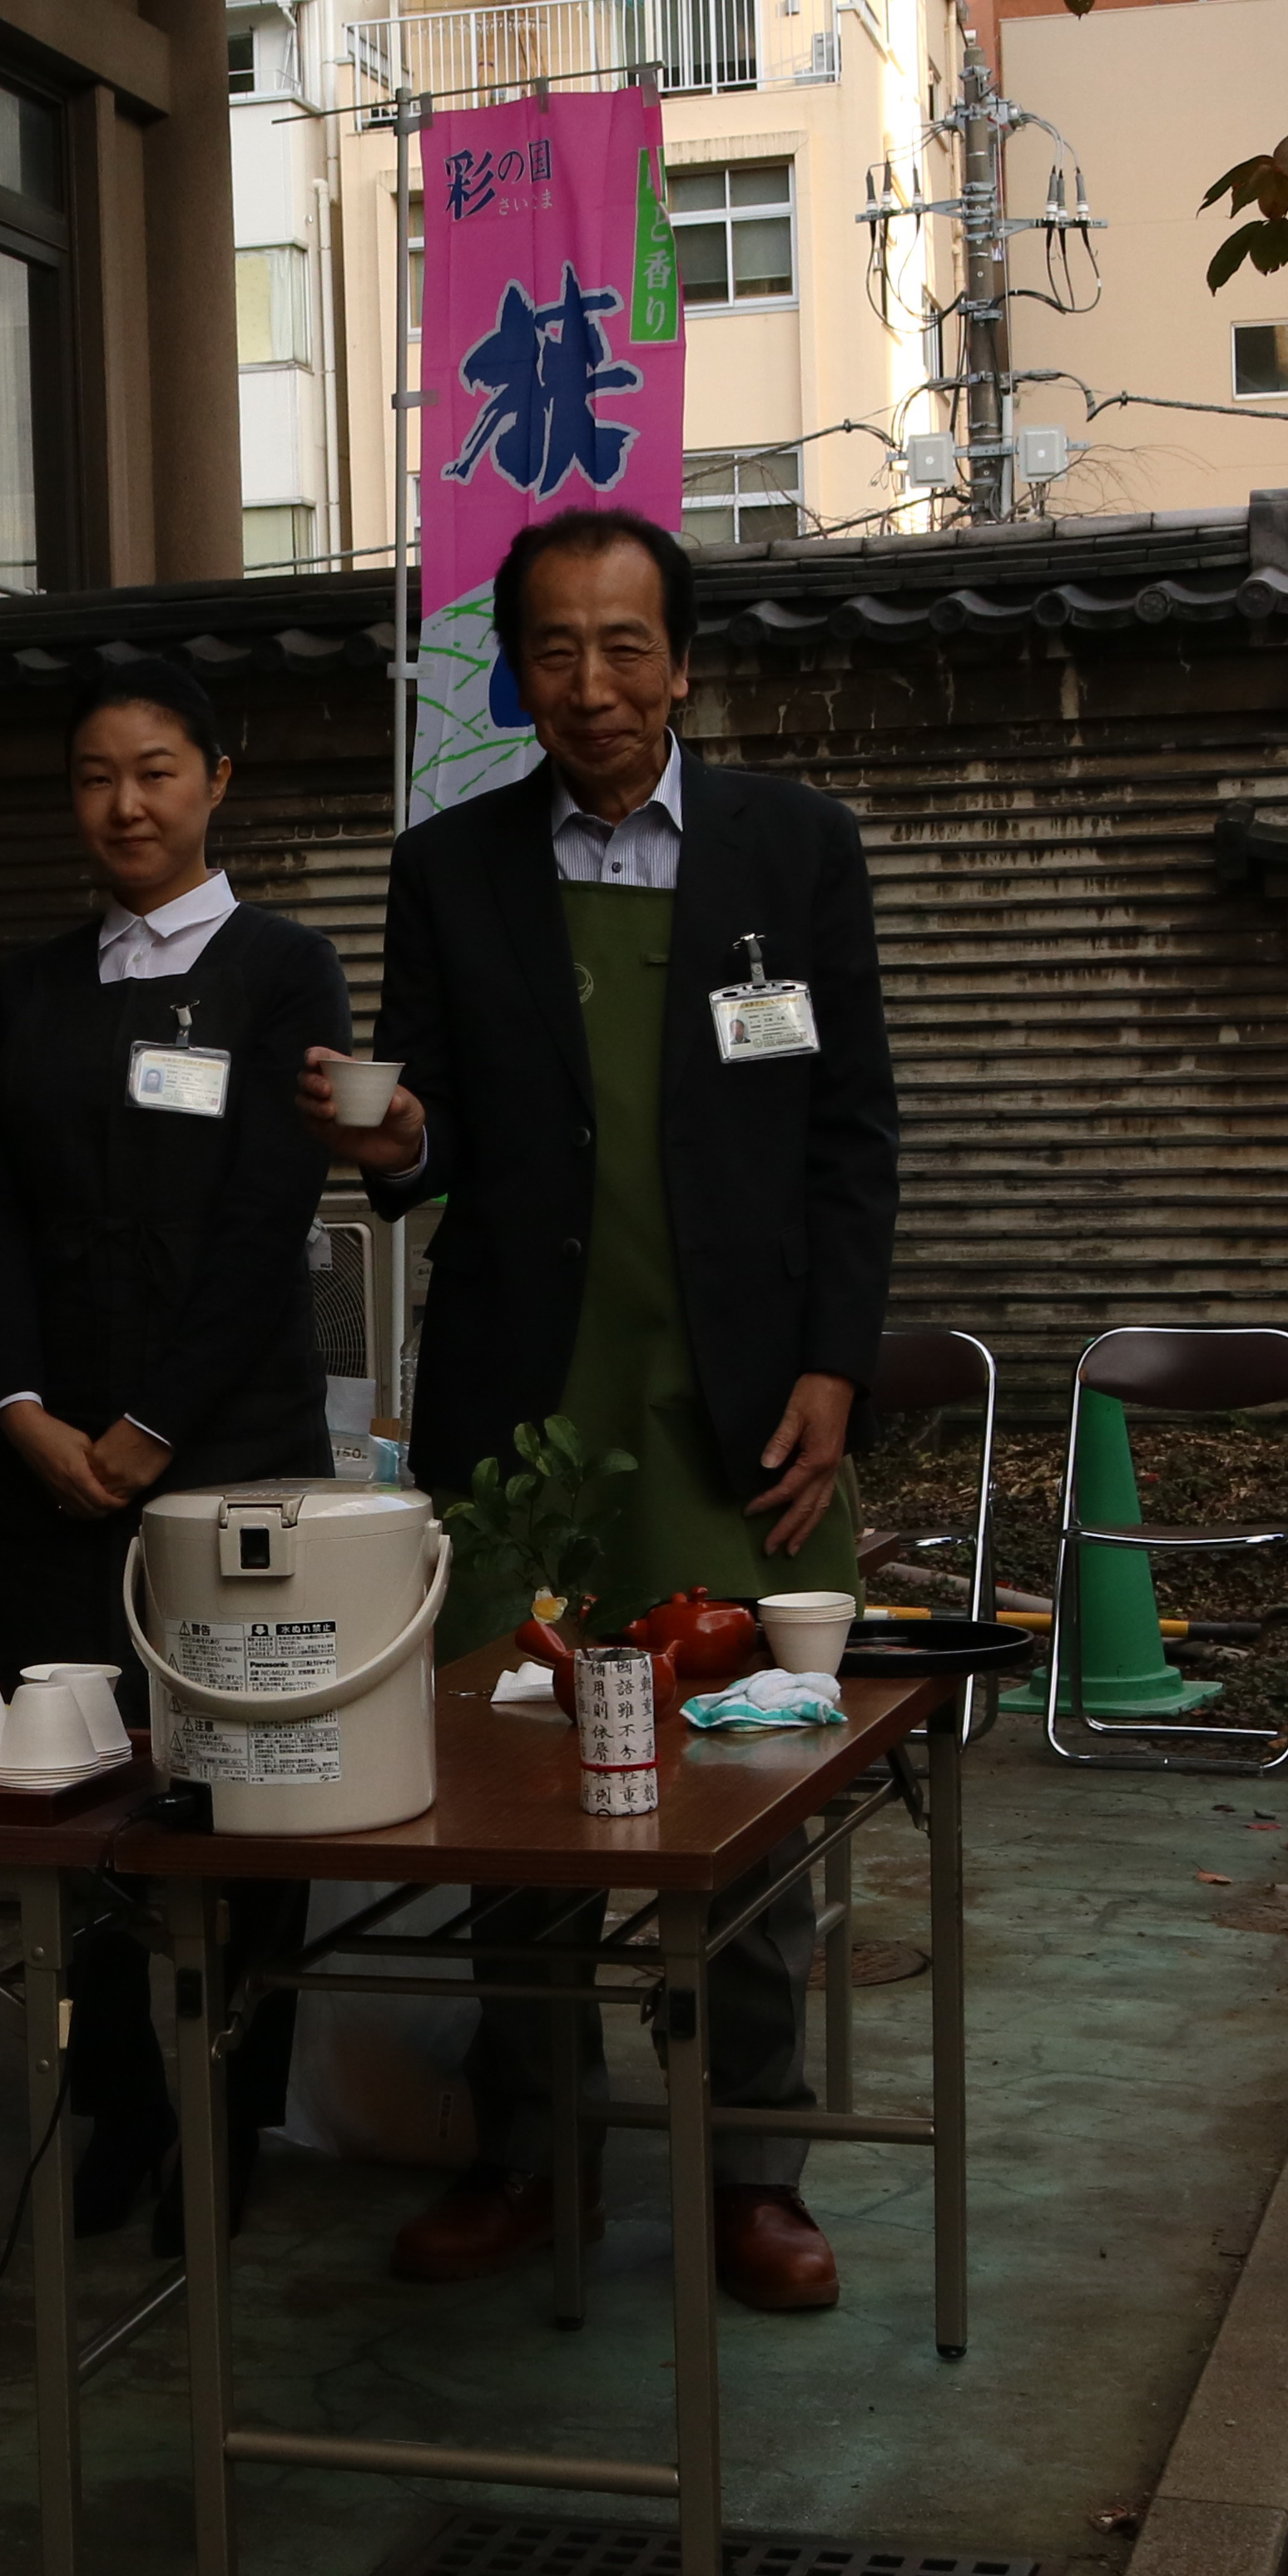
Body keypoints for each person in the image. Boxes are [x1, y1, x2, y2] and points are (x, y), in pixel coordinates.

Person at [300, 504, 896, 2313]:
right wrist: (398, 1142)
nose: (592, 682)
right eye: (553, 648)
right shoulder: (451, 865)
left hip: (739, 1402)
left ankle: (754, 2170)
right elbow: (431, 1137)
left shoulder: (797, 848)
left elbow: (852, 1130)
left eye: (626, 644)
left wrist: (834, 1364)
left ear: (684, 663)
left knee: (756, 1782)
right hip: (525, 1403)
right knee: (515, 1796)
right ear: (515, 674)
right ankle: (530, 2152)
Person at [0, 656, 349, 2242]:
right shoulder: (27, 987)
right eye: (95, 776)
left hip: (232, 1451)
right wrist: (23, 1411)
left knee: (247, 1792)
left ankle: (231, 2120)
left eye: (158, 770)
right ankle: (116, 2108)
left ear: (218, 780)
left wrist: (150, 1432)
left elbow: (268, 1222)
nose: (125, 804)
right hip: (52, 1471)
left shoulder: (285, 971)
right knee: (89, 1791)